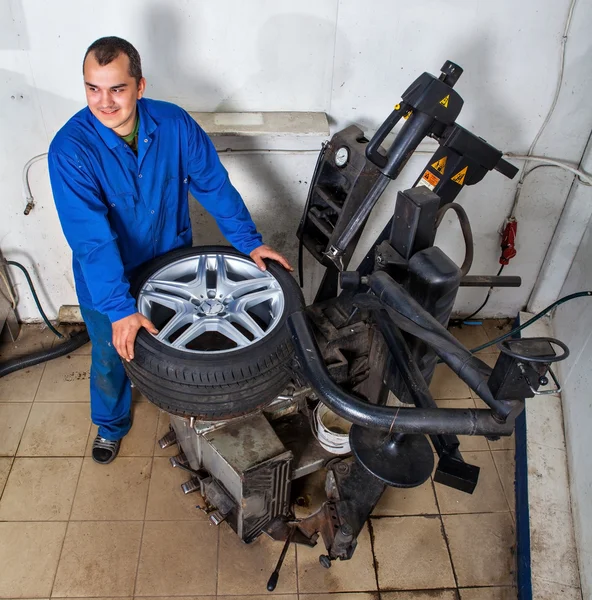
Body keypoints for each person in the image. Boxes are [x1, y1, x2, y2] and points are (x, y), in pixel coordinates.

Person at [48, 36, 292, 464]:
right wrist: (118, 308)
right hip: (110, 277)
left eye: (117, 89)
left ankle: (177, 403)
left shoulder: (174, 125)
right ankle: (111, 424)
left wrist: (250, 242)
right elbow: (91, 238)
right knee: (111, 353)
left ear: (140, 86)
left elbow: (213, 185)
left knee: (177, 346)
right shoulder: (71, 149)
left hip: (170, 261)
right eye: (93, 88)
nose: (104, 102)